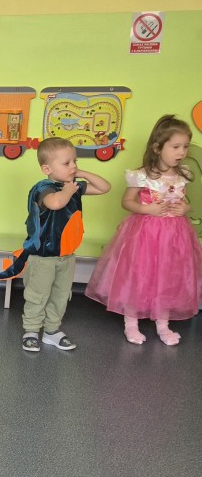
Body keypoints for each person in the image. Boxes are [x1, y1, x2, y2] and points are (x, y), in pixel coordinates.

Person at [86, 115, 202, 345]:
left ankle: (163, 324)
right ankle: (131, 323)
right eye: (175, 147)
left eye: (185, 146)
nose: (182, 152)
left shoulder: (183, 174)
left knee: (168, 275)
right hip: (146, 233)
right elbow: (126, 202)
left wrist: (185, 208)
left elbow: (183, 201)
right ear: (157, 148)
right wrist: (146, 209)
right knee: (139, 274)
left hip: (174, 234)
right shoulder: (141, 175)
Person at [0, 137, 110, 352]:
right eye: (66, 163)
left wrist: (82, 173)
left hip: (66, 255)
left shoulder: (72, 185)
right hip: (42, 256)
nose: (73, 166)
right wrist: (69, 189)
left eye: (74, 161)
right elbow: (56, 203)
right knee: (37, 295)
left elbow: (105, 187)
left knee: (60, 295)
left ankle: (52, 331)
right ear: (47, 168)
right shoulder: (43, 188)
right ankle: (31, 330)